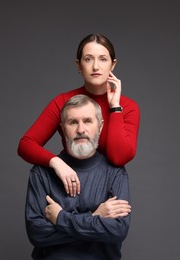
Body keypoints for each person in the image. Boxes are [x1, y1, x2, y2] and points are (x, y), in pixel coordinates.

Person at [18, 33, 140, 197]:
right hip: (69, 186)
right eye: (88, 59)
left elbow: (119, 158)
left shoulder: (128, 107)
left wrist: (115, 107)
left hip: (107, 189)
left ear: (113, 64)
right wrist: (57, 163)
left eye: (103, 59)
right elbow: (26, 145)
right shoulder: (63, 101)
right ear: (78, 65)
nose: (96, 66)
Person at [25, 94, 131, 260]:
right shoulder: (41, 173)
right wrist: (95, 216)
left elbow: (117, 230)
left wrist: (60, 218)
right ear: (62, 127)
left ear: (101, 126)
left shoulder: (115, 172)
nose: (80, 129)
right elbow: (37, 233)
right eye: (73, 122)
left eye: (88, 121)